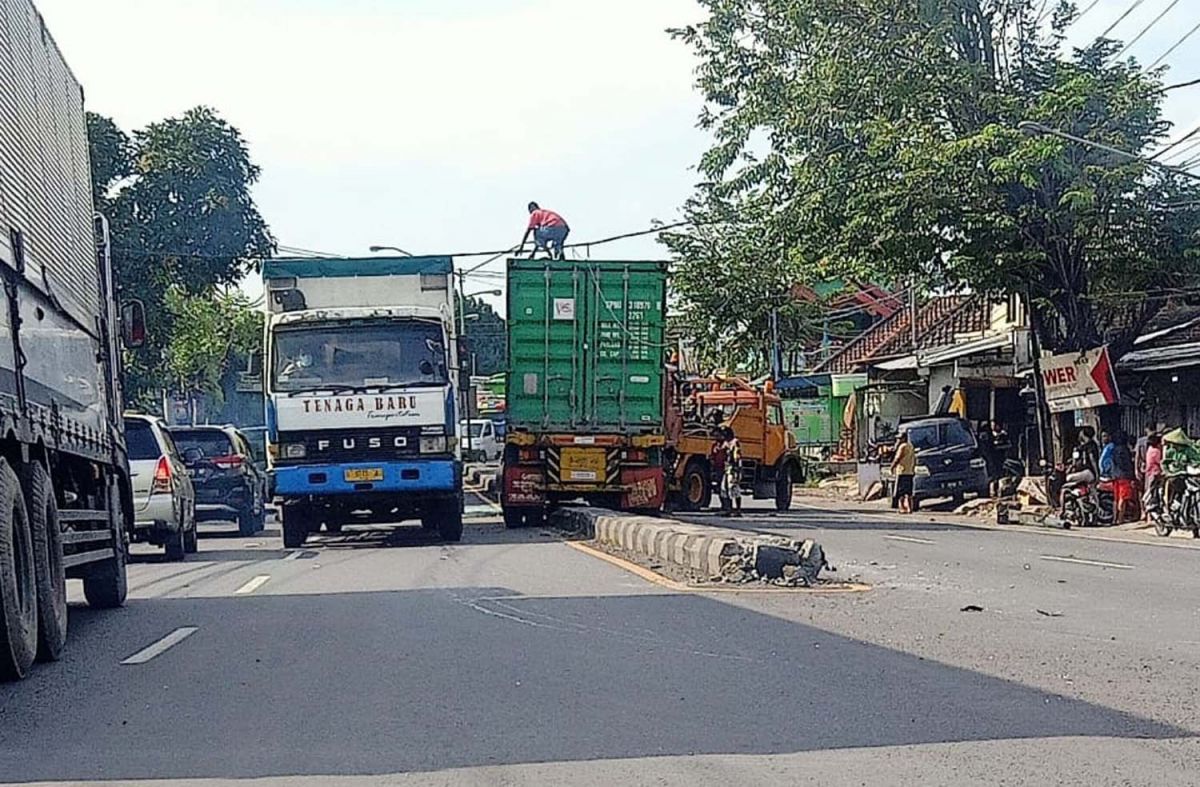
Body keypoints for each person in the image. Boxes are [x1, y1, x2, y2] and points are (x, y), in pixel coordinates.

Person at [719, 426, 743, 518]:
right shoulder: (725, 443)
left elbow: (737, 457)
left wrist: (738, 470)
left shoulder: (734, 442)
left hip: (733, 468)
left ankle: (737, 509)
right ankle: (728, 509)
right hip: (726, 468)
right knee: (724, 489)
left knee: (733, 488)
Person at [891, 432, 916, 514]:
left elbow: (898, 458)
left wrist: (892, 466)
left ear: (903, 438)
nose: (898, 440)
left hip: (902, 471)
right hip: (910, 471)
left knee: (900, 492)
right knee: (909, 492)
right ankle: (910, 508)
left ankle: (902, 508)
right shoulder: (911, 446)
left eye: (899, 438)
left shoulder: (902, 446)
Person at [1142, 433, 1164, 522]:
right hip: (1155, 474)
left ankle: (1149, 516)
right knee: (1153, 493)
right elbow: (1160, 462)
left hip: (1149, 474)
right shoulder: (1156, 451)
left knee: (1150, 491)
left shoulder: (1149, 450)